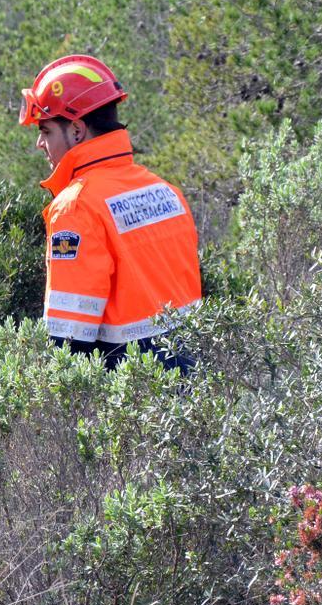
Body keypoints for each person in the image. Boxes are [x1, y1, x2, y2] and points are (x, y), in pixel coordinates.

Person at [20, 54, 200, 372]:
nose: (39, 143)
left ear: (76, 131)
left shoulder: (75, 209)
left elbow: (68, 340)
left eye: (46, 131)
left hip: (131, 393)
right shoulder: (165, 191)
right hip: (194, 381)